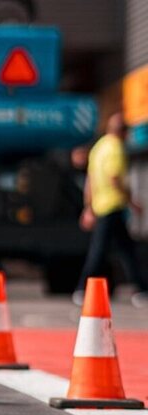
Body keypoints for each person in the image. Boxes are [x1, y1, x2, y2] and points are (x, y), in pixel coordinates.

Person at [73, 113, 148, 308]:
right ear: (123, 132)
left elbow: (90, 181)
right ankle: (83, 288)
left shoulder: (99, 148)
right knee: (105, 250)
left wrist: (88, 207)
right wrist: (132, 201)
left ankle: (140, 289)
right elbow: (115, 178)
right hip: (113, 206)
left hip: (100, 206)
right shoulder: (116, 148)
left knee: (124, 249)